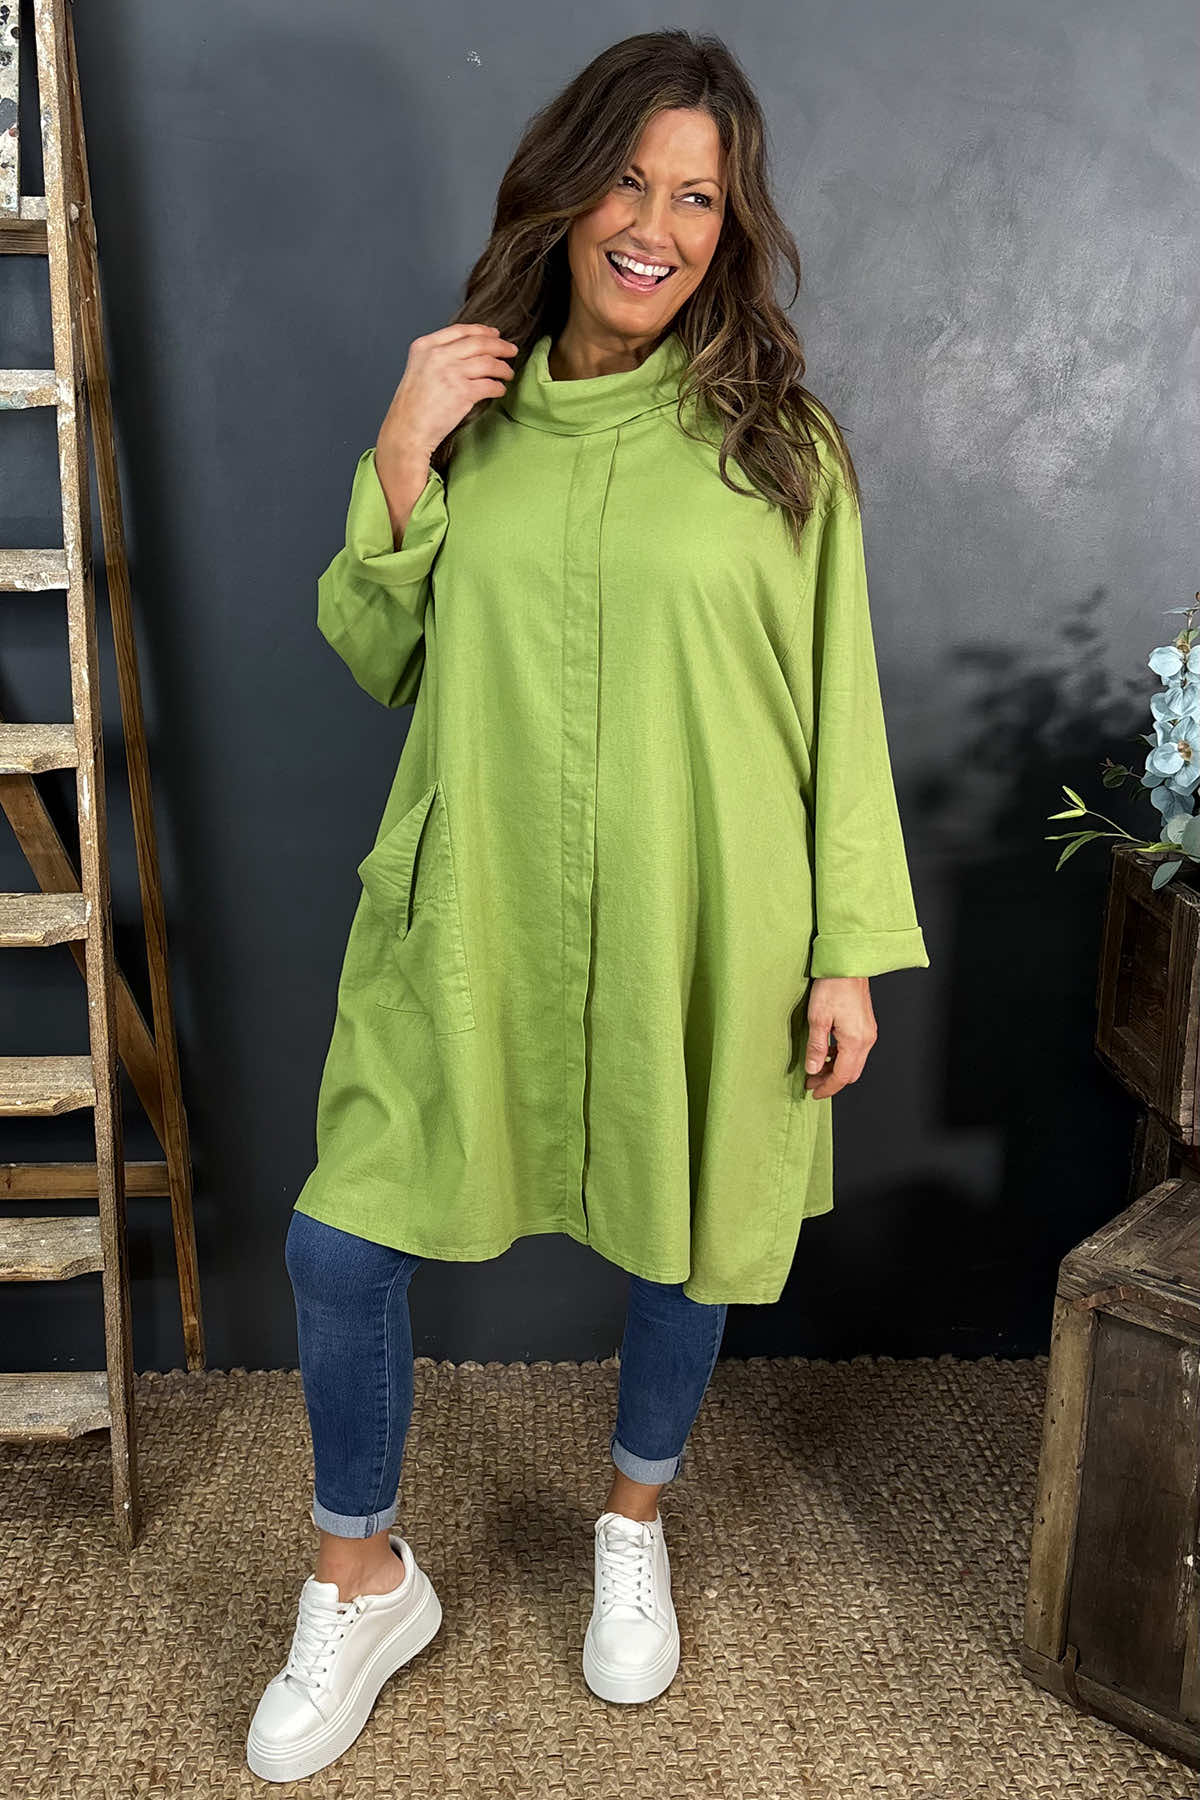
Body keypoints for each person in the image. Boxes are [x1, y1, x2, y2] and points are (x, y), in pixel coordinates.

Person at [247, 27, 929, 1785]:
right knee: (341, 1241)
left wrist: (847, 946)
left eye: (698, 198)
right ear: (564, 192)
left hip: (709, 912)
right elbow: (377, 649)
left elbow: (838, 707)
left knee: (690, 1217)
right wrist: (402, 447)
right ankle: (361, 1576)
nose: (656, 226)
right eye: (629, 180)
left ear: (730, 228)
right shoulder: (470, 417)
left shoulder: (781, 448)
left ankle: (635, 1520)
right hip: (472, 906)